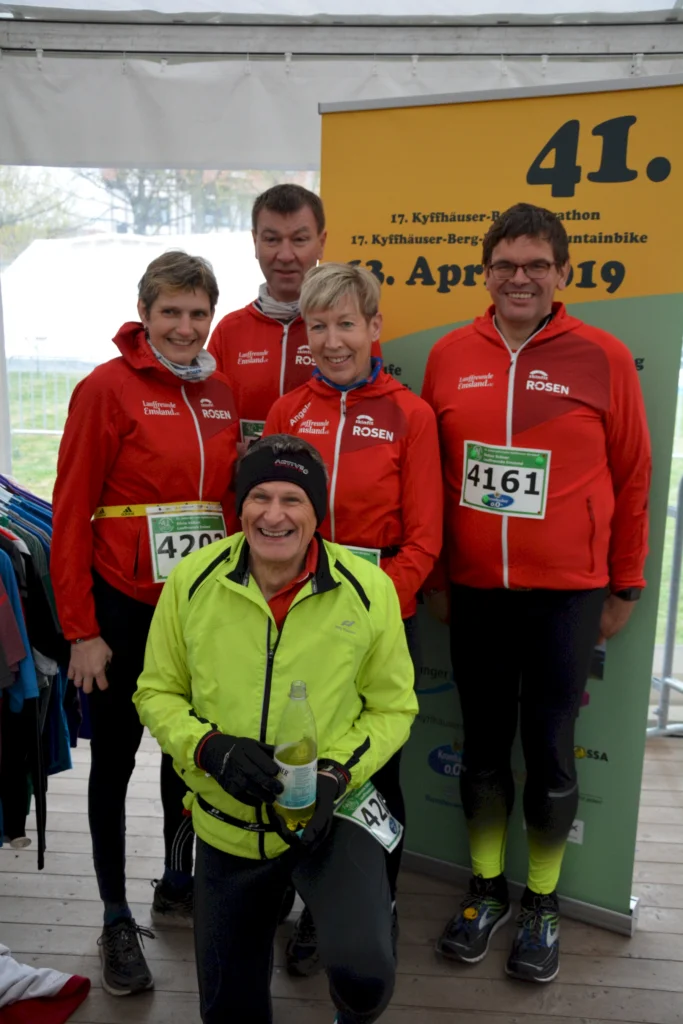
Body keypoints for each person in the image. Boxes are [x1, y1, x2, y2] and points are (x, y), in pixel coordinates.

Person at [421, 203, 651, 983]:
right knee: (483, 751)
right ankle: (485, 891)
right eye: (504, 265)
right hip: (478, 592)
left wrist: (625, 584)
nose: (519, 278)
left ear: (560, 274)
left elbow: (633, 476)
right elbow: (433, 478)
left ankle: (543, 903)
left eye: (535, 265)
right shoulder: (451, 354)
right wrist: (443, 575)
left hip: (566, 596)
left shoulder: (603, 357)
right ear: (484, 273)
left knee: (550, 754)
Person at [133, 433, 418, 1024]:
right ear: (240, 507)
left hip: (330, 816)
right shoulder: (192, 580)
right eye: (259, 496)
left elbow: (394, 707)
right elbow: (155, 691)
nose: (274, 514)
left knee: (365, 976)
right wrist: (209, 749)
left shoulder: (370, 590)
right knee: (229, 1009)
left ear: (318, 512)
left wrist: (337, 773)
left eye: (293, 499)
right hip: (228, 822)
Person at [51, 252, 240, 996]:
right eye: (171, 313)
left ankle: (175, 876)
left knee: (185, 755)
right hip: (122, 605)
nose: (185, 328)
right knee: (118, 758)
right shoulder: (107, 388)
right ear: (145, 314)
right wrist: (80, 628)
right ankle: (113, 914)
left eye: (198, 314)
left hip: (197, 610)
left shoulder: (219, 392)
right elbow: (69, 513)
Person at [263, 261, 442, 974]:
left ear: (373, 328)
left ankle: (376, 905)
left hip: (377, 619)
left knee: (373, 770)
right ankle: (306, 900)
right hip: (298, 614)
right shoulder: (287, 411)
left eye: (345, 323)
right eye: (317, 325)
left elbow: (425, 535)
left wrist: (369, 609)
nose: (331, 340)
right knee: (299, 756)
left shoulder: (411, 413)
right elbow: (267, 519)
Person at [208, 182, 380, 446]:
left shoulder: (350, 329)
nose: (285, 255)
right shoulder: (229, 331)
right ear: (255, 242)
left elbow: (372, 421)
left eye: (299, 240)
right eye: (272, 239)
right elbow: (211, 424)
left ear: (321, 243)